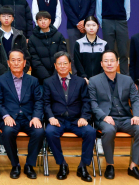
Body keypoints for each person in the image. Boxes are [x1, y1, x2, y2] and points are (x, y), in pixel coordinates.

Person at [88, 50, 139, 181]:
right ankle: (109, 165)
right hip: (105, 119)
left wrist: (137, 116)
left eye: (112, 61)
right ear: (101, 64)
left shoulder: (127, 80)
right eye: (106, 61)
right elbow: (92, 103)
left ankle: (133, 167)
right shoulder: (94, 81)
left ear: (117, 63)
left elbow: (136, 99)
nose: (109, 63)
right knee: (109, 130)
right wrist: (104, 116)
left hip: (125, 118)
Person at [43, 52, 95, 182]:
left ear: (70, 65)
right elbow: (46, 103)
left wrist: (84, 117)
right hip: (58, 120)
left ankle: (83, 166)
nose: (62, 66)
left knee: (90, 132)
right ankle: (62, 164)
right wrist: (51, 118)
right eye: (59, 64)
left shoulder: (80, 82)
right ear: (55, 66)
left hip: (76, 120)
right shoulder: (48, 82)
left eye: (65, 63)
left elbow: (86, 102)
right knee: (49, 132)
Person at [0, 49, 44, 180]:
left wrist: (36, 117)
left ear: (24, 63)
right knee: (7, 132)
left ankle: (29, 165)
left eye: (19, 60)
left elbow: (39, 101)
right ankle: (15, 165)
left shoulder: (33, 80)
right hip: (10, 118)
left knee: (39, 132)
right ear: (8, 63)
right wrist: (6, 116)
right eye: (13, 60)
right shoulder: (0, 80)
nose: (16, 63)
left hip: (29, 118)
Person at [96, 0, 131, 75]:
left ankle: (125, 76)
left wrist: (122, 21)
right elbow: (98, 11)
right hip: (107, 22)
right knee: (109, 52)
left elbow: (127, 11)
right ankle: (109, 75)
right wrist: (104, 24)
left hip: (121, 23)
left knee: (123, 51)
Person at [62, 0, 96, 73]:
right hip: (72, 26)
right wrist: (77, 23)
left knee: (87, 52)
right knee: (73, 52)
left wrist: (85, 22)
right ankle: (76, 76)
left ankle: (87, 75)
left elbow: (92, 6)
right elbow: (67, 8)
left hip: (88, 26)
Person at [0, 6, 30, 83]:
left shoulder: (20, 36)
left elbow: (26, 57)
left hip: (19, 77)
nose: (6, 18)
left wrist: (18, 72)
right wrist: (6, 74)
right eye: (3, 16)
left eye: (9, 16)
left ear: (13, 18)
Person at [28, 11, 67, 84]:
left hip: (58, 77)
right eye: (40, 20)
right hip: (40, 79)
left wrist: (55, 76)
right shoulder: (32, 39)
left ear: (50, 21)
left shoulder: (59, 36)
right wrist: (46, 78)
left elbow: (62, 56)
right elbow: (34, 61)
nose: (43, 22)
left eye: (45, 19)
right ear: (37, 22)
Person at [74, 16, 109, 82]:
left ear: (98, 26)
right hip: (83, 80)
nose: (91, 28)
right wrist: (83, 77)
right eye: (88, 25)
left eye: (93, 25)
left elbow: (105, 62)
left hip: (100, 80)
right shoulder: (78, 43)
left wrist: (100, 77)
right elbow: (77, 63)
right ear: (84, 27)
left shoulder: (104, 44)